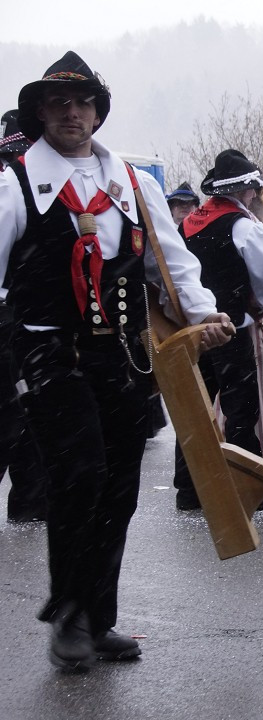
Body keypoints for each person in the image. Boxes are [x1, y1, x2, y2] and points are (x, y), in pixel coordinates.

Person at [0, 51, 235, 671]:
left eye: (82, 103)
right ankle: (70, 615)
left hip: (124, 357)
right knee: (79, 475)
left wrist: (204, 313)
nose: (72, 113)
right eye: (59, 103)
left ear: (98, 112)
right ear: (41, 113)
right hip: (50, 353)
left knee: (120, 489)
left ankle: (98, 619)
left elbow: (170, 264)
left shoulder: (134, 183)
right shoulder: (13, 182)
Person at [173, 149, 263, 512]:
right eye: (253, 188)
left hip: (192, 328)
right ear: (245, 190)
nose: (255, 194)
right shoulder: (243, 225)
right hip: (230, 326)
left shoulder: (188, 223)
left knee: (197, 408)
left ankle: (189, 488)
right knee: (241, 408)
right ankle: (246, 484)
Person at [0, 109, 49, 523]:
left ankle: (31, 499)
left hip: (21, 316)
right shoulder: (14, 184)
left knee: (23, 413)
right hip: (11, 317)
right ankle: (30, 500)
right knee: (15, 414)